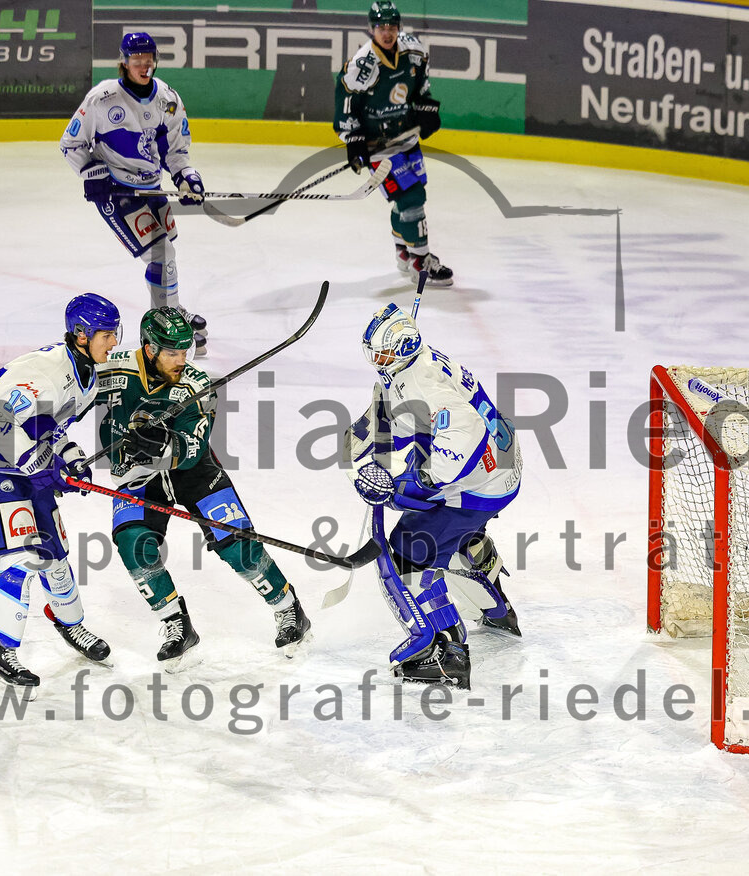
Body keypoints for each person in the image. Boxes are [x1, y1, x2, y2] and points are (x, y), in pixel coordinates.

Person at [98, 307, 312, 670]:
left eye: (185, 351)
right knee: (133, 544)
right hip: (138, 477)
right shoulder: (112, 367)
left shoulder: (196, 386)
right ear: (149, 349)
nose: (182, 360)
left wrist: (161, 444)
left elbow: (193, 448)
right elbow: (71, 386)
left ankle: (288, 609)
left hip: (193, 472)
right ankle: (176, 625)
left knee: (238, 547)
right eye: (173, 353)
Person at [346, 303, 521, 688]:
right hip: (498, 468)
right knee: (451, 541)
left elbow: (463, 435)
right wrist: (366, 436)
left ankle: (444, 652)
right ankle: (494, 605)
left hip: (481, 481)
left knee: (411, 548)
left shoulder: (423, 379)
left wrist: (418, 484)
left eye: (382, 354)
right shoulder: (415, 366)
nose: (377, 360)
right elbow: (412, 418)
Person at [0, 294, 122, 697]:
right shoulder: (44, 372)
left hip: (27, 455)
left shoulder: (87, 373)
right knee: (23, 557)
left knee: (54, 552)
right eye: (106, 335)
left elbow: (49, 423)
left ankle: (70, 622)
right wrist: (35, 462)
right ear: (81, 335)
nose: (113, 343)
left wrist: (69, 456)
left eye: (114, 333)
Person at [60, 31, 209, 352]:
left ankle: (173, 310)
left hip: (151, 190)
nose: (143, 65)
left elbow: (176, 151)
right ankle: (162, 325)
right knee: (161, 254)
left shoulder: (167, 100)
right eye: (136, 60)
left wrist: (186, 176)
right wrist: (92, 174)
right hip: (116, 193)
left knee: (167, 253)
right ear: (124, 62)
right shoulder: (102, 99)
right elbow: (71, 143)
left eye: (148, 60)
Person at [333, 1, 453, 287]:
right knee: (412, 198)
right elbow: (346, 103)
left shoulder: (414, 51)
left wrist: (426, 110)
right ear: (371, 29)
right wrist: (354, 140)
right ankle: (420, 261)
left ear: (399, 27)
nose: (387, 33)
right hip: (380, 147)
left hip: (406, 137)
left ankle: (403, 251)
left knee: (409, 196)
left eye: (391, 27)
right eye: (381, 28)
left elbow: (421, 85)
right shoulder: (362, 66)